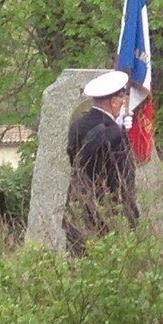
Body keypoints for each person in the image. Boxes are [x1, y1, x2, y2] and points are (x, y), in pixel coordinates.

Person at [63, 70, 139, 255]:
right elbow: (122, 179)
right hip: (106, 214)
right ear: (113, 102)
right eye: (122, 100)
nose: (124, 104)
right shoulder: (114, 134)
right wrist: (131, 216)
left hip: (78, 208)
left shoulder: (77, 126)